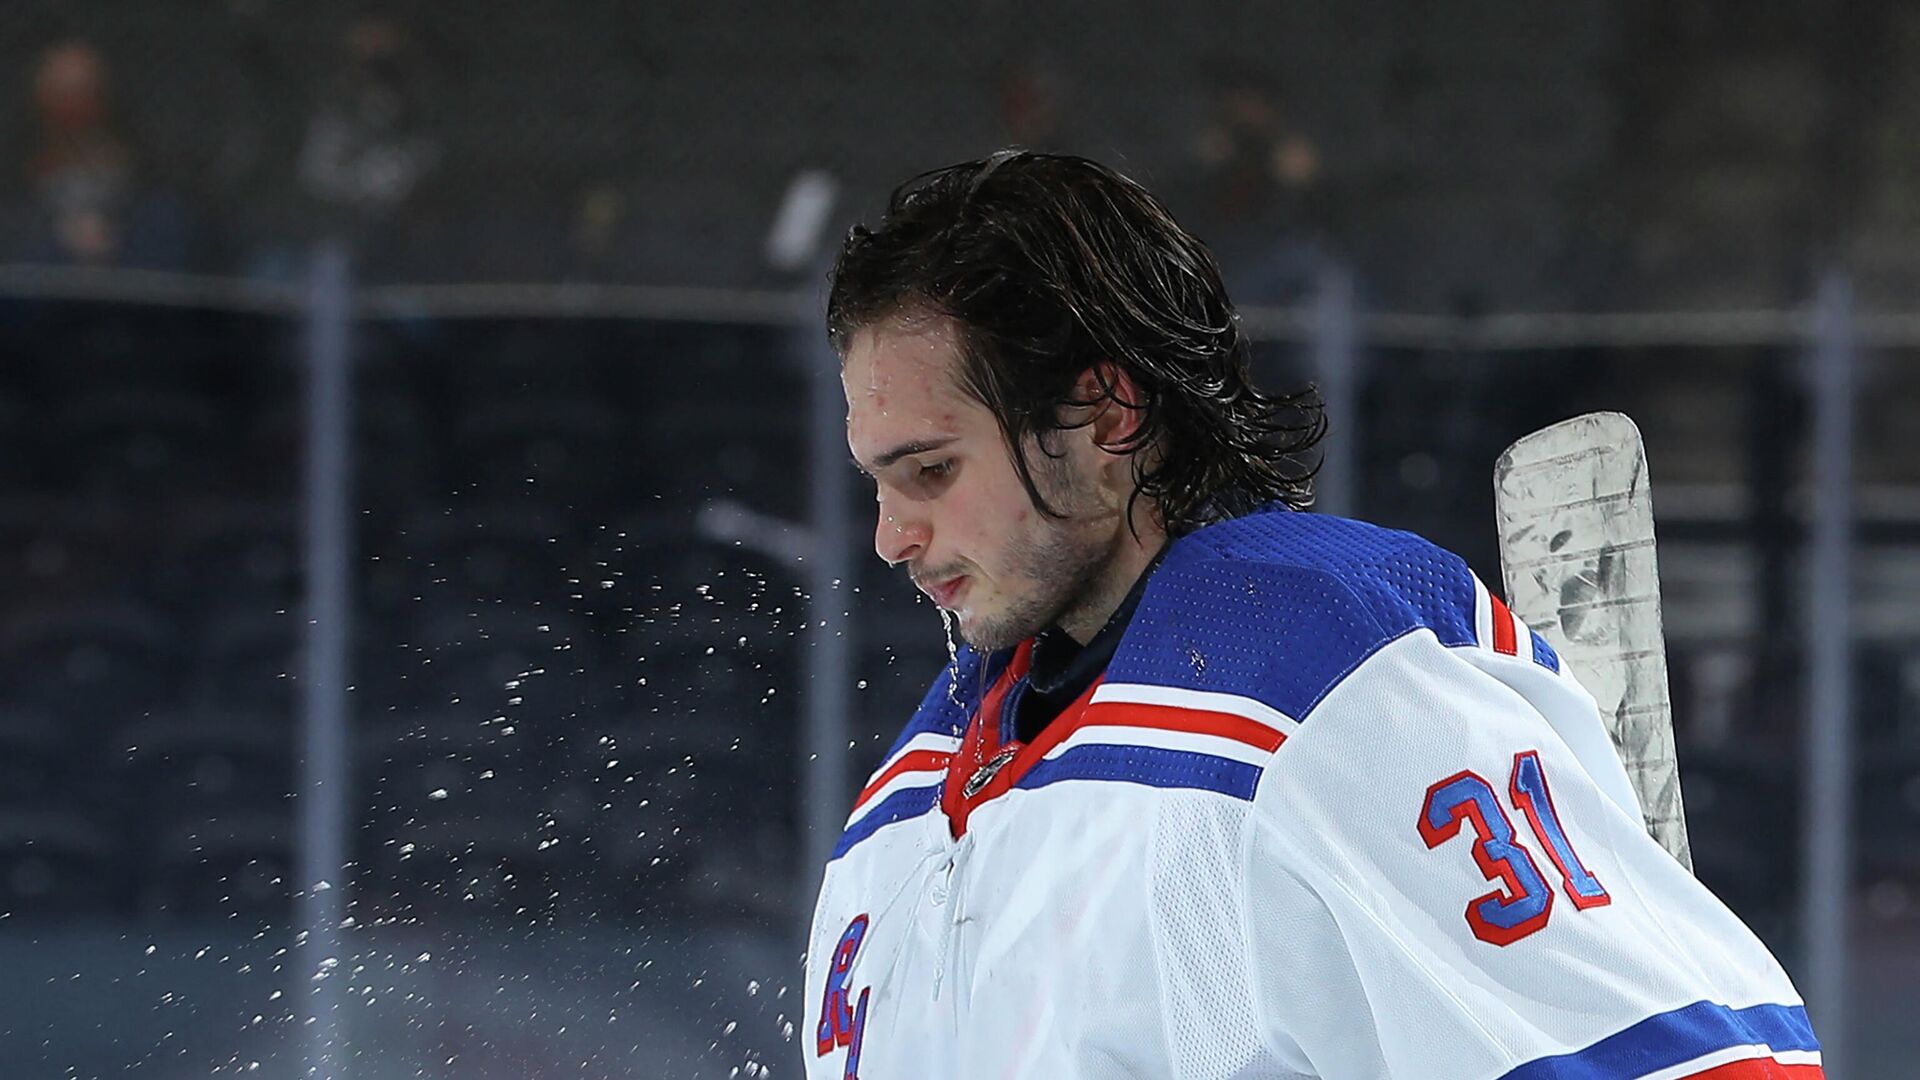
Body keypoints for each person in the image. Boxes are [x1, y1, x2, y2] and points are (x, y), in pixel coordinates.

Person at [806, 151, 1821, 1079]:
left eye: (932, 470)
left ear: (1108, 415)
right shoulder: (910, 792)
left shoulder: (1319, 667)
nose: (892, 535)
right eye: (878, 483)